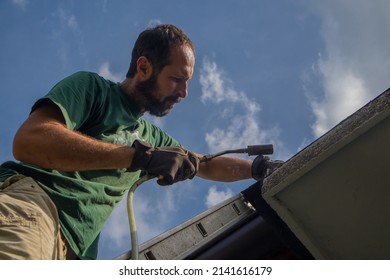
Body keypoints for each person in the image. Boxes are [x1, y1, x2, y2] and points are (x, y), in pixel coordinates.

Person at [0, 24, 282, 260]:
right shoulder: (93, 89)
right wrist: (134, 157)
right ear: (144, 67)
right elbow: (30, 141)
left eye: (187, 82)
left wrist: (258, 169)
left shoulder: (153, 139)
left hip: (72, 253)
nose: (184, 92)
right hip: (32, 209)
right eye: (176, 79)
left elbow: (206, 165)